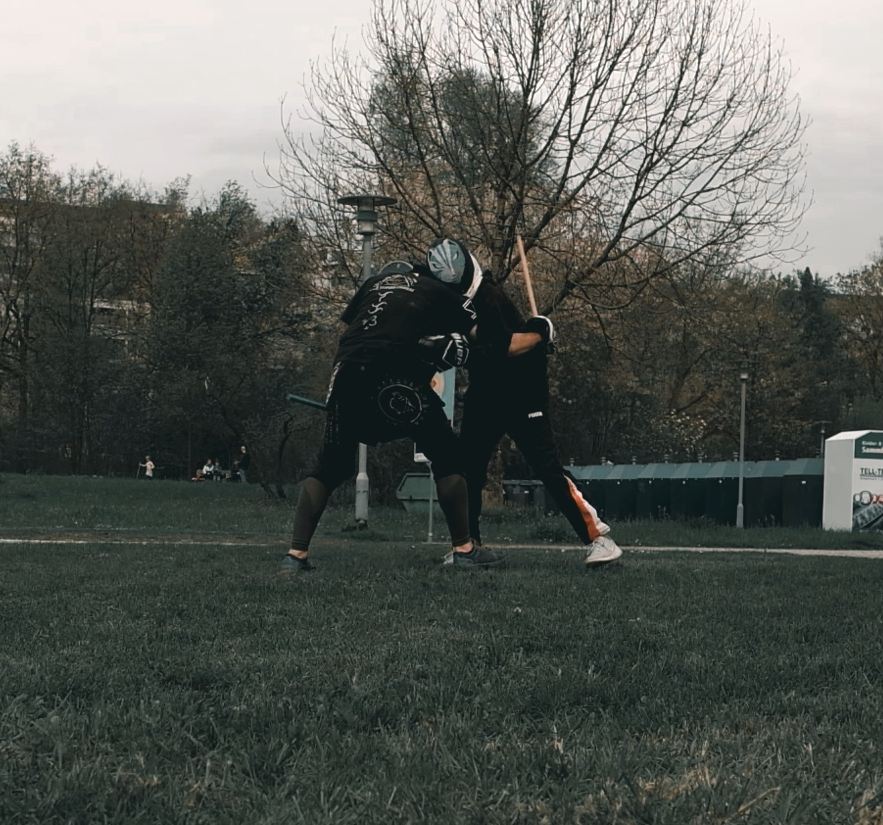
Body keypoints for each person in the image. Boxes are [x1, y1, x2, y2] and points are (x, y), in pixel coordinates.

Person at [279, 261, 502, 574]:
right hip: (395, 370)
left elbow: (354, 328)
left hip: (346, 371)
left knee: (329, 465)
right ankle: (464, 549)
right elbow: (482, 333)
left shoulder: (372, 284)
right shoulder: (435, 288)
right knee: (448, 455)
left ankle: (295, 555)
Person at [424, 238, 622, 567]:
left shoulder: (489, 295)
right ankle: (468, 546)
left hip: (521, 392)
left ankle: (600, 539)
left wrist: (540, 335)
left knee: (546, 466)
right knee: (468, 469)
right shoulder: (455, 299)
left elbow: (506, 347)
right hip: (485, 393)